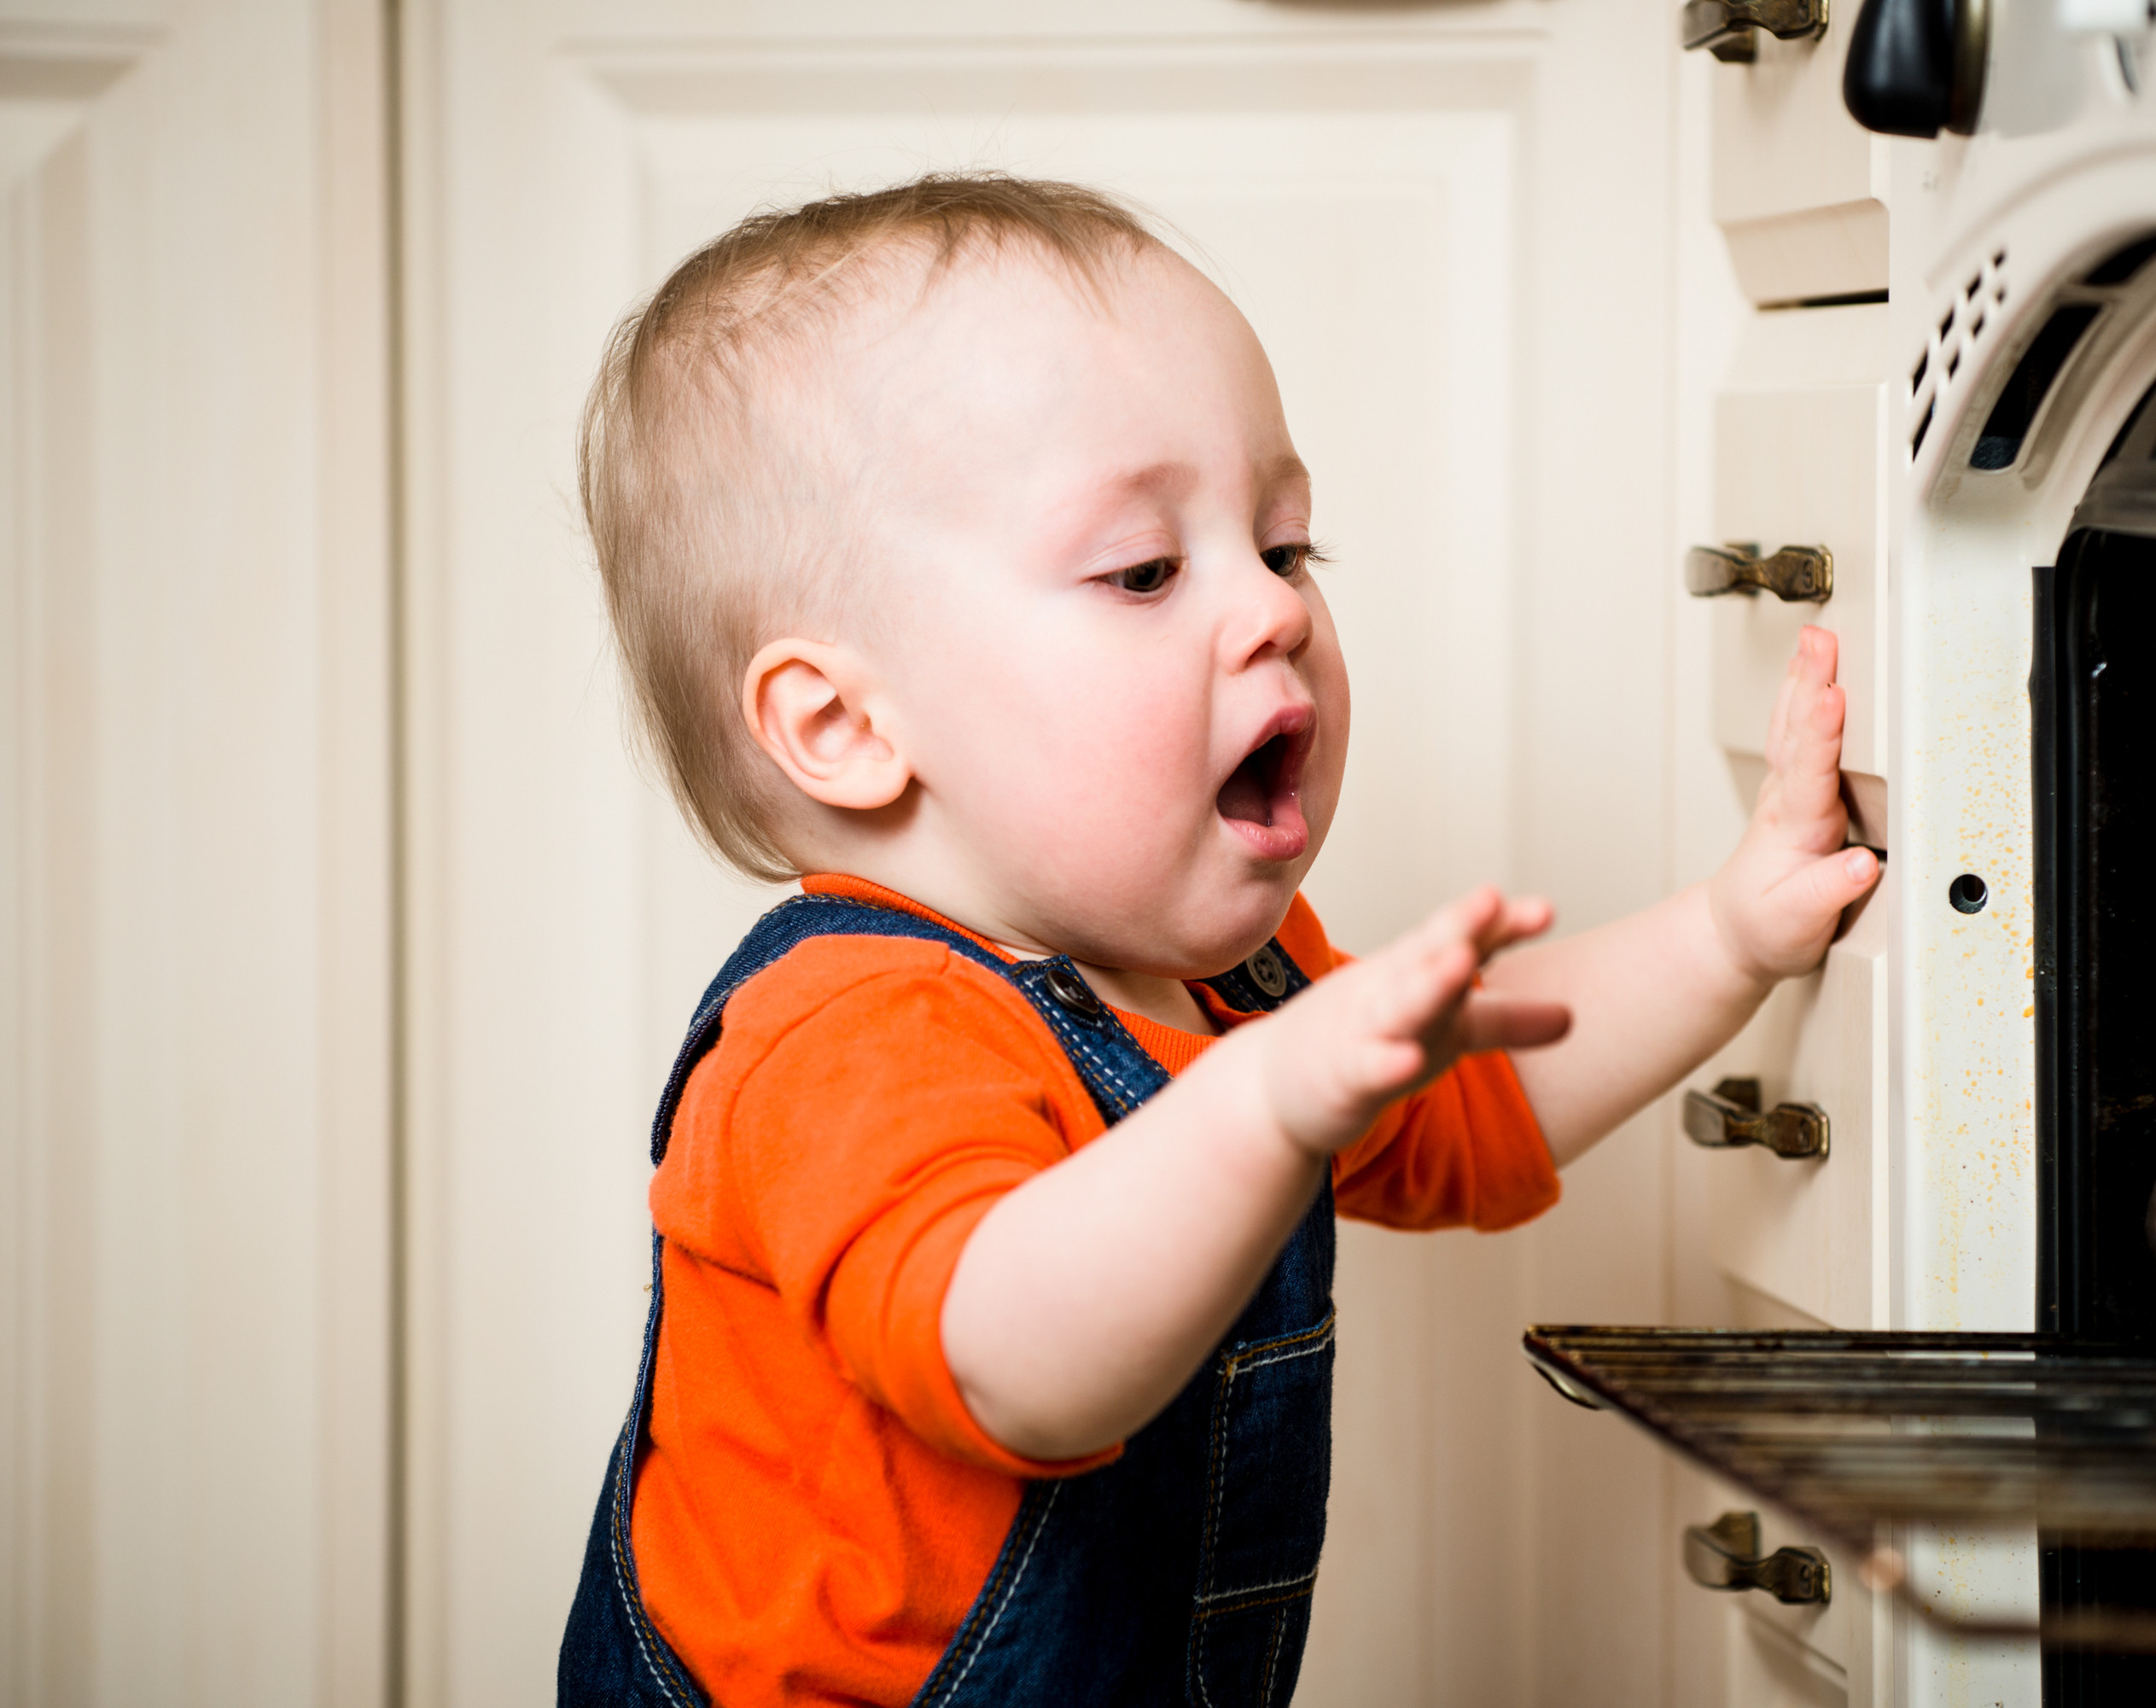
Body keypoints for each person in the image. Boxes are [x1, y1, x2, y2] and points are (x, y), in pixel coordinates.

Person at [556, 173, 1879, 1708]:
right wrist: (1269, 1100)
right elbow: (1013, 1359)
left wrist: (1730, 930)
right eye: (1144, 570)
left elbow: (1468, 1094)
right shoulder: (850, 1035)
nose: (1271, 609)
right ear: (845, 725)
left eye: (1287, 544)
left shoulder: (1212, 987)